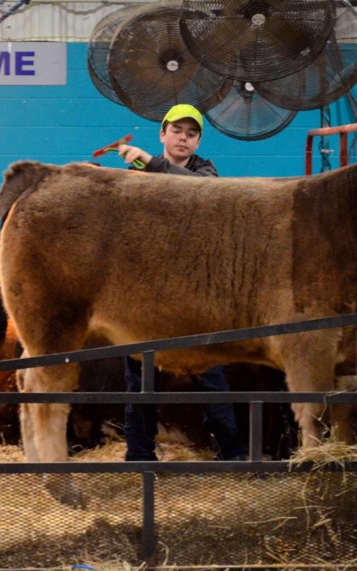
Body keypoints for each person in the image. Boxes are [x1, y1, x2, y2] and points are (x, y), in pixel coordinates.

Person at [117, 104, 248, 462]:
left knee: (211, 374)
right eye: (177, 131)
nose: (183, 138)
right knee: (142, 378)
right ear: (163, 134)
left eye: (191, 134)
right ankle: (139, 457)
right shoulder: (136, 174)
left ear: (198, 141)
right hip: (148, 294)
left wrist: (153, 164)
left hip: (195, 295)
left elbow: (205, 193)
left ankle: (232, 455)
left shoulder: (206, 173)